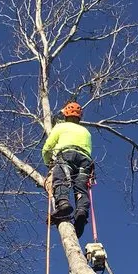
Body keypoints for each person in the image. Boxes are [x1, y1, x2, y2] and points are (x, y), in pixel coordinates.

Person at [42, 101, 93, 238]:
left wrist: (49, 163)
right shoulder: (86, 132)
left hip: (66, 154)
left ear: (65, 114)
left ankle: (63, 203)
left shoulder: (60, 127)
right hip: (85, 160)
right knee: (81, 188)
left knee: (61, 180)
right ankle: (81, 211)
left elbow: (48, 147)